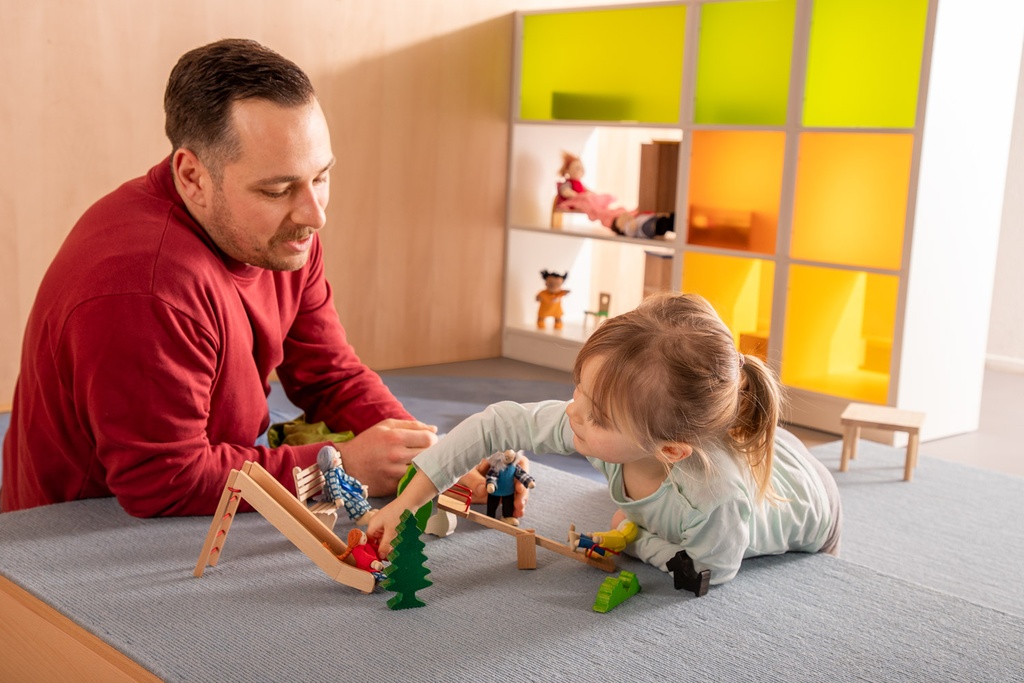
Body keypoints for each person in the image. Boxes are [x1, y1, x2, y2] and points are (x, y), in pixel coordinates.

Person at [1, 39, 455, 517]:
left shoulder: (282, 235)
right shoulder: (146, 287)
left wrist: (428, 454)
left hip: (207, 475)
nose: (315, 214)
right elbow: (164, 483)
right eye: (277, 190)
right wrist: (342, 467)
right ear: (193, 177)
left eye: (320, 177)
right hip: (87, 527)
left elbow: (329, 376)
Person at [368, 293, 842, 587]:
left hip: (815, 507)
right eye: (579, 388)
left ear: (669, 450)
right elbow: (496, 424)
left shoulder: (714, 499)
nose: (573, 411)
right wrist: (407, 503)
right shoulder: (591, 422)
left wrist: (635, 538)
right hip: (759, 454)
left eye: (597, 415)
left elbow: (708, 570)